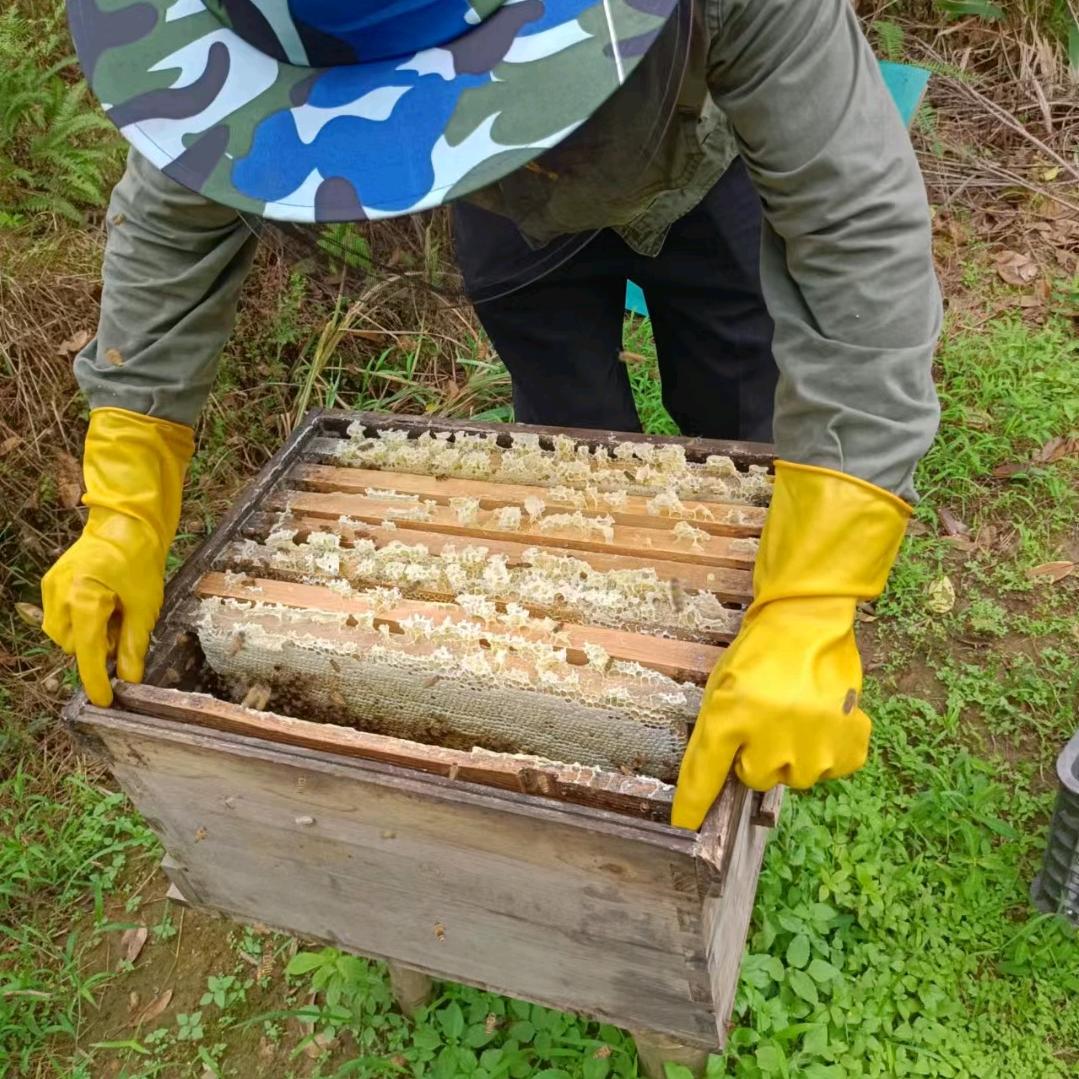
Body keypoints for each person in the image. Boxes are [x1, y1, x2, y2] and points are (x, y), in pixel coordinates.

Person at [46, 0, 942, 831]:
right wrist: (125, 500)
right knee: (561, 453)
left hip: (705, 161)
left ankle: (755, 717)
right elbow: (169, 218)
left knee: (743, 418)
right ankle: (589, 728)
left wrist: (812, 595)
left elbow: (855, 230)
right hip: (499, 193)